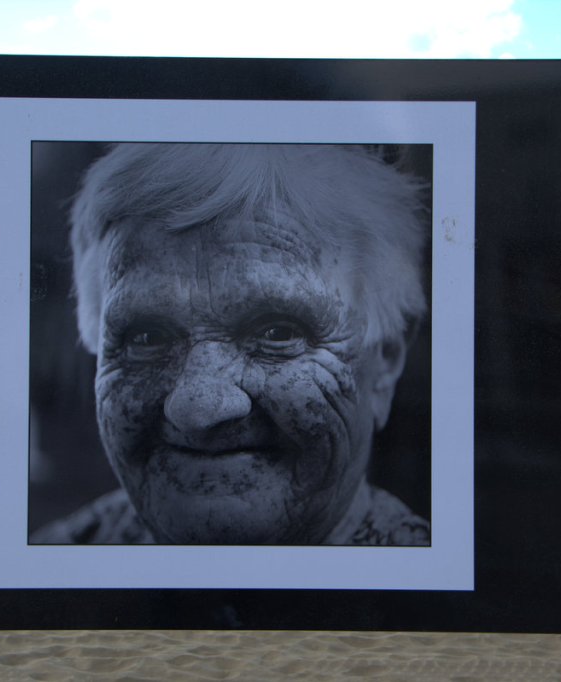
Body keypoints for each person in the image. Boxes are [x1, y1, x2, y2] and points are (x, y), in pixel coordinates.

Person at [32, 143, 431, 546]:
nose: (199, 409)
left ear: (386, 362)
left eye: (278, 333)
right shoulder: (46, 575)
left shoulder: (456, 600)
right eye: (146, 338)